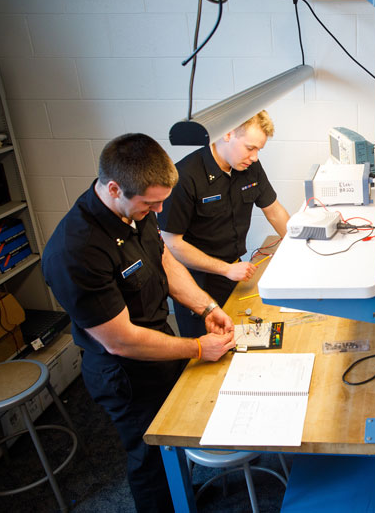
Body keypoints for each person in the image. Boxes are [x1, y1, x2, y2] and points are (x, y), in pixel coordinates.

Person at [42, 133, 236, 513]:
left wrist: (206, 307)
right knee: (150, 460)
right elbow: (121, 340)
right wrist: (197, 347)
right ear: (114, 188)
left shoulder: (135, 210)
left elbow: (162, 259)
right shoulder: (76, 250)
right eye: (151, 203)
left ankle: (184, 498)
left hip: (158, 343)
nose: (160, 211)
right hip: (124, 371)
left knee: (175, 439)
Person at [158, 110, 290, 338]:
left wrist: (299, 250)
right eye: (250, 148)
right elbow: (172, 244)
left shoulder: (249, 167)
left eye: (259, 149)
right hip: (198, 282)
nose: (255, 157)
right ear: (227, 134)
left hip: (233, 273)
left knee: (239, 338)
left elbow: (274, 210)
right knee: (207, 352)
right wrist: (226, 269)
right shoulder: (185, 177)